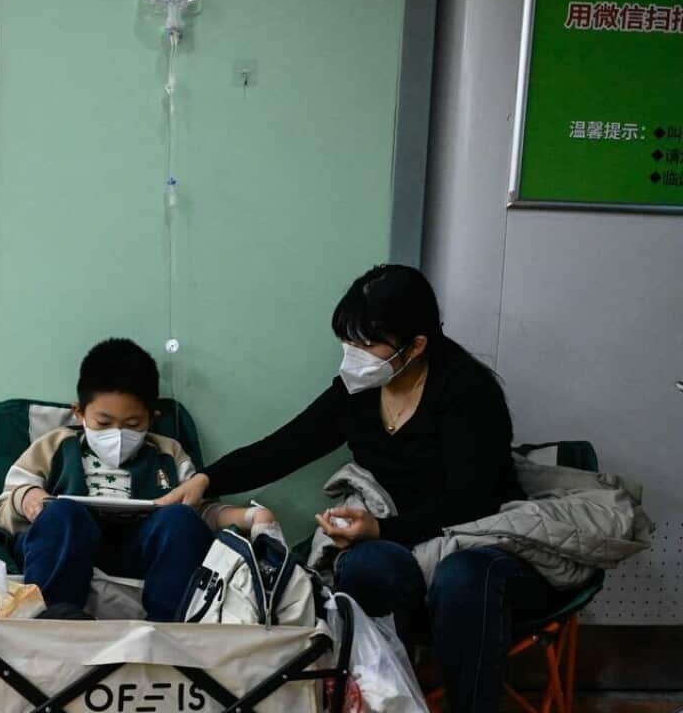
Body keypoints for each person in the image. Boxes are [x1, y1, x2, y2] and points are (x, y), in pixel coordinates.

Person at [161, 264, 561, 713]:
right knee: (367, 567)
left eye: (367, 343)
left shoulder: (467, 393)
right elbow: (285, 447)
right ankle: (388, 702)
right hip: (401, 539)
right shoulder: (358, 391)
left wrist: (383, 529)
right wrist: (206, 478)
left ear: (416, 346)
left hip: (479, 542)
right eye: (348, 341)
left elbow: (474, 500)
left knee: (461, 578)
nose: (354, 354)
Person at [0, 338, 218, 622]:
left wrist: (245, 516)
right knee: (62, 514)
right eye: (103, 423)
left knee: (181, 521)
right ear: (79, 413)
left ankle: (168, 624)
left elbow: (200, 509)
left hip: (139, 548)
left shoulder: (168, 452)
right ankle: (54, 616)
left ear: (152, 417)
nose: (118, 434)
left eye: (133, 424)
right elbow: (5, 504)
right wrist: (28, 499)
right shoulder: (55, 445)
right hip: (69, 544)